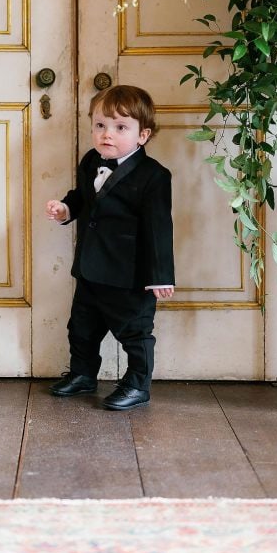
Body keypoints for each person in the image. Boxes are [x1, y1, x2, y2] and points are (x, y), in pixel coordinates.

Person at [45, 84, 174, 411]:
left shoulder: (154, 176)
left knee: (134, 333)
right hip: (90, 268)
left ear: (142, 135)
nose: (107, 135)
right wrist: (66, 209)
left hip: (130, 275)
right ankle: (83, 374)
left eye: (120, 127)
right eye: (100, 125)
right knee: (81, 328)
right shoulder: (91, 161)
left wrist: (161, 276)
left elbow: (159, 227)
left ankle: (137, 385)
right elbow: (83, 198)